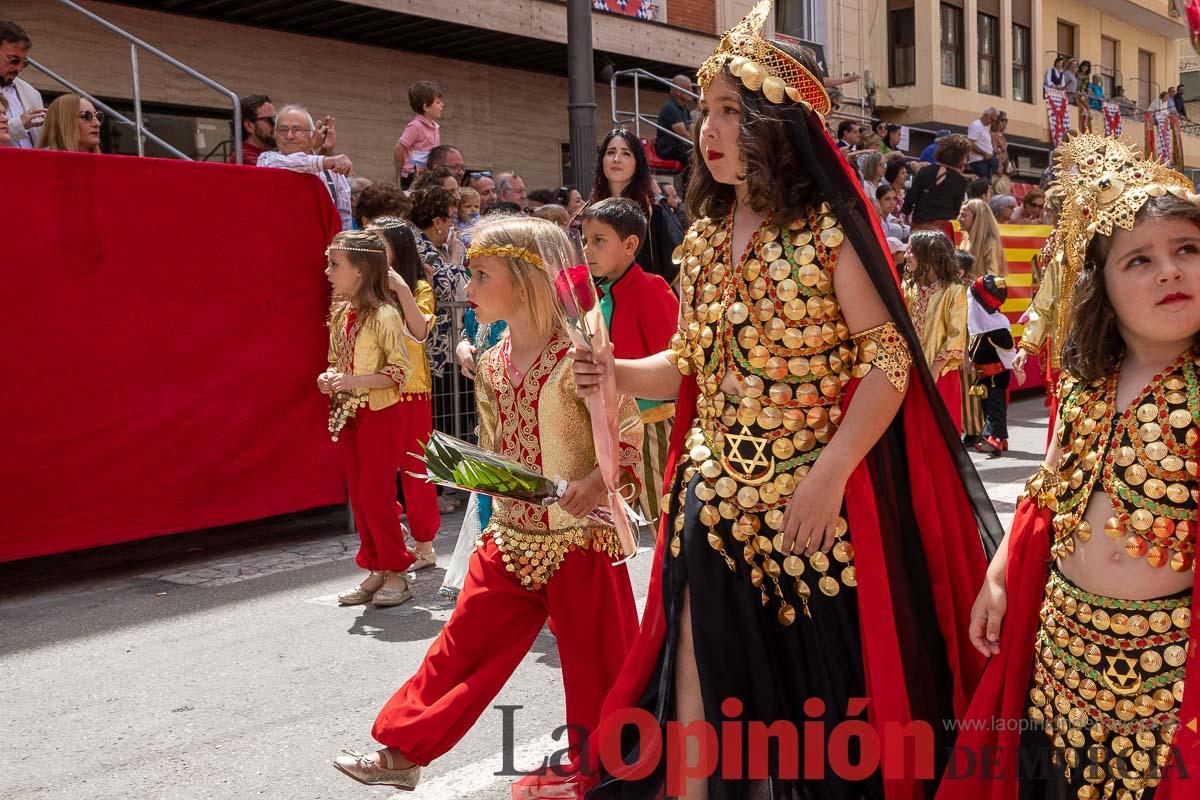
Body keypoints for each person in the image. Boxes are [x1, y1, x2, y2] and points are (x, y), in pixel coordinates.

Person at [524, 7, 1002, 796]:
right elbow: (689, 365)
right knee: (691, 659)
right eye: (706, 112)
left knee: (821, 694)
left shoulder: (829, 235)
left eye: (731, 112)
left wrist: (830, 475)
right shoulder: (704, 238)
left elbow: (888, 363)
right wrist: (614, 372)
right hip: (708, 494)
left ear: (778, 128)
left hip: (811, 502)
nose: (708, 130)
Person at [333, 216, 643, 791]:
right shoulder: (493, 360)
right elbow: (497, 446)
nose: (468, 287)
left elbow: (626, 434)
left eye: (481, 276)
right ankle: (403, 752)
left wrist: (596, 485)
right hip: (509, 537)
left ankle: (613, 776)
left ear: (524, 281)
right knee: (459, 650)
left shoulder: (579, 356)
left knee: (602, 669)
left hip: (579, 540)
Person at [938, 134, 1200, 800]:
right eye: (1140, 259)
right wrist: (999, 575)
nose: (1169, 271)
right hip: (1060, 661)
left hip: (1166, 683)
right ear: (1100, 288)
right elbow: (1043, 494)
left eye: (1188, 250)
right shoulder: (1087, 385)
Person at [318, 230, 414, 608]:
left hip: (379, 413)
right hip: (350, 413)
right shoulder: (341, 313)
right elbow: (335, 361)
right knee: (360, 496)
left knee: (376, 495)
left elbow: (400, 371)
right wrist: (328, 377)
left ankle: (397, 571)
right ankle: (376, 565)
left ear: (359, 269)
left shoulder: (385, 315)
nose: (327, 272)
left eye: (334, 264)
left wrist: (352, 381)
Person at [581, 197, 679, 523]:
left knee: (664, 517)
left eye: (598, 240)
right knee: (612, 523)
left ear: (630, 244)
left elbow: (673, 359)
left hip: (651, 425)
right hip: (610, 426)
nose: (587, 250)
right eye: (585, 240)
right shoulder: (598, 297)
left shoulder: (651, 288)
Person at [366, 218, 441, 571]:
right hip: (373, 386)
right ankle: (393, 535)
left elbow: (419, 332)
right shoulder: (366, 287)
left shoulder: (419, 286)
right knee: (376, 471)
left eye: (380, 244)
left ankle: (425, 545)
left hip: (410, 390)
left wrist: (401, 289)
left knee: (415, 469)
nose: (374, 251)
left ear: (397, 248)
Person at [590, 128, 683, 284]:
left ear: (637, 163)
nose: (616, 159)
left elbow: (678, 264)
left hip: (645, 296)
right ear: (602, 161)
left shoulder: (653, 209)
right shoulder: (591, 211)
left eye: (626, 153)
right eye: (611, 152)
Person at [904, 230, 968, 431]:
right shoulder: (909, 288)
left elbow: (956, 336)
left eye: (911, 250)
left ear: (928, 255)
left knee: (937, 431)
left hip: (940, 374)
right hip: (910, 373)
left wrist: (933, 371)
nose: (906, 255)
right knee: (913, 429)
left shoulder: (953, 291)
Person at [258, 104, 354, 230]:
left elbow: (345, 220)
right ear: (274, 134)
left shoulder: (332, 172)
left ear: (312, 134)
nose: (289, 136)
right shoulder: (267, 160)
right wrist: (318, 153)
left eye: (297, 130)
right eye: (283, 130)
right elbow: (290, 163)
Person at [965, 274, 1016, 455]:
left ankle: (994, 437)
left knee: (995, 407)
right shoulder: (982, 326)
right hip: (985, 377)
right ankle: (1001, 439)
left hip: (996, 376)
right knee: (989, 406)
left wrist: (1016, 368)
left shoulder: (997, 326)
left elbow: (1008, 350)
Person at [903, 133, 973, 232]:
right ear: (960, 157)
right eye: (966, 156)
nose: (966, 160)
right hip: (943, 231)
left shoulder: (924, 171)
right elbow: (957, 211)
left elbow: (910, 199)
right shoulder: (960, 181)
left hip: (919, 227)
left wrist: (905, 214)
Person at [0, 21, 44, 149]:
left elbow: (40, 144)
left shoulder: (31, 93)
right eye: (14, 61)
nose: (19, 69)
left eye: (24, 63)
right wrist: (19, 124)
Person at [393, 80, 442, 184]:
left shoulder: (436, 127)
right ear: (426, 107)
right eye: (438, 102)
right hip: (413, 175)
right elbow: (399, 149)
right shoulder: (415, 126)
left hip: (427, 175)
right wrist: (399, 175)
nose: (442, 105)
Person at [958, 198, 1007, 278]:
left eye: (963, 215)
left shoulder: (991, 244)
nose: (958, 219)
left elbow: (992, 278)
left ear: (977, 218)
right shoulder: (964, 242)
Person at [656, 74, 696, 165]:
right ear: (678, 92)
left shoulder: (685, 109)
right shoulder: (670, 107)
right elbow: (683, 134)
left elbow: (692, 131)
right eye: (688, 88)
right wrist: (697, 146)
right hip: (669, 150)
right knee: (696, 155)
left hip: (681, 147)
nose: (692, 91)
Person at [229, 94, 275, 165]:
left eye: (277, 119)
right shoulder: (243, 158)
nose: (276, 125)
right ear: (249, 126)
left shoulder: (268, 155)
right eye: (271, 120)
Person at [966, 107, 997, 180]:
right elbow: (970, 143)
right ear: (986, 115)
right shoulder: (976, 125)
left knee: (987, 184)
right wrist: (984, 153)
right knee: (982, 184)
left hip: (985, 161)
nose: (992, 123)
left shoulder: (985, 127)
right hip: (979, 161)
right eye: (992, 120)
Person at [1075, 60, 1094, 133]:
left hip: (1084, 95)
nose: (1084, 68)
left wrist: (1088, 90)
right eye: (1083, 66)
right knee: (1083, 109)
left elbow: (1087, 86)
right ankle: (1082, 127)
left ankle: (1086, 128)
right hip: (1077, 93)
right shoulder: (1077, 74)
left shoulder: (1087, 76)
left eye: (1086, 67)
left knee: (1086, 110)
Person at [990, 111, 1009, 176]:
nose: (1004, 122)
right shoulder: (993, 135)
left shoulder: (1003, 136)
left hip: (1003, 166)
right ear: (997, 120)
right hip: (996, 167)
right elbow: (993, 152)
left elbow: (1005, 153)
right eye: (1002, 120)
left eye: (1006, 120)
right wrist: (1001, 149)